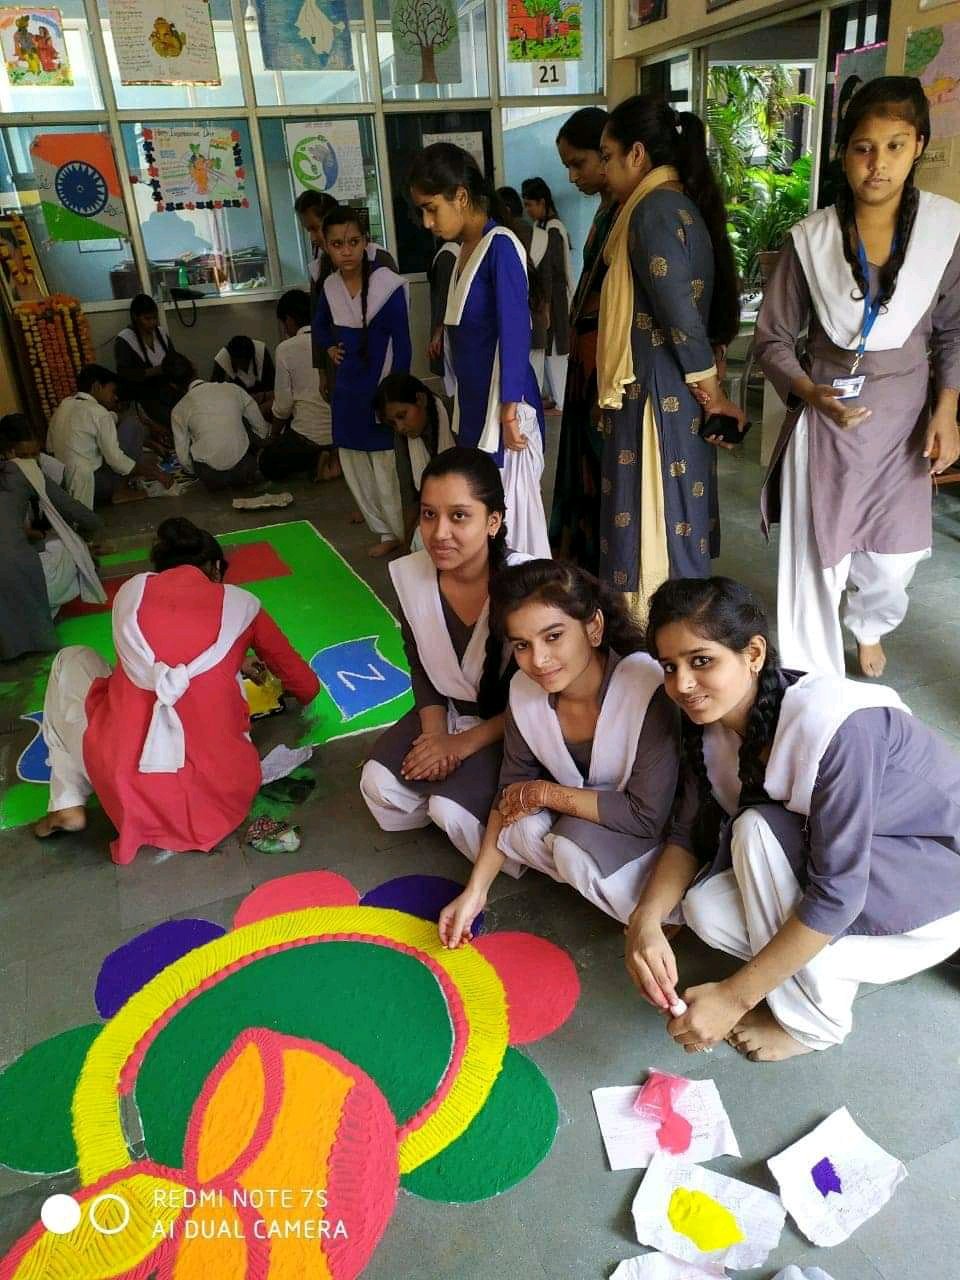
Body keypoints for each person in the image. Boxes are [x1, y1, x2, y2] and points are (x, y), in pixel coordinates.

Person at [626, 575, 960, 1062]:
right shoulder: (712, 726)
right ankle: (815, 970)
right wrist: (645, 921)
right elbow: (687, 834)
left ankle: (814, 1024)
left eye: (701, 661)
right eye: (669, 667)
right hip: (858, 874)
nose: (682, 685)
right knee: (704, 909)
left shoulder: (837, 726)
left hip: (934, 883)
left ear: (753, 653)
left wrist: (734, 997)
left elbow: (838, 893)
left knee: (755, 830)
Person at [756, 77, 960, 680]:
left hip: (904, 424)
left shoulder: (944, 233)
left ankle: (869, 623)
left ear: (918, 146)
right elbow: (771, 339)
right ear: (843, 153)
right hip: (826, 421)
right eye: (864, 148)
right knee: (815, 557)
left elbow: (953, 330)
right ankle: (813, 678)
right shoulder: (811, 240)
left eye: (895, 146)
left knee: (895, 558)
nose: (878, 164)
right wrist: (808, 391)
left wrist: (946, 411)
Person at [34, 517, 320, 863]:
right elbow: (306, 686)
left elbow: (166, 652)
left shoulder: (130, 594)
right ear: (216, 568)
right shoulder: (243, 605)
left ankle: (66, 802)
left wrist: (234, 660)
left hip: (129, 790)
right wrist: (234, 660)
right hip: (225, 792)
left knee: (72, 660)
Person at [439, 561, 680, 945]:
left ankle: (662, 909)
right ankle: (605, 883)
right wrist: (475, 891)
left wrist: (546, 793)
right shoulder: (525, 692)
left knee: (569, 848)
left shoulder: (645, 686)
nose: (538, 660)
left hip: (664, 836)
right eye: (522, 645)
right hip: (601, 817)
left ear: (593, 627)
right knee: (520, 825)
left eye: (553, 636)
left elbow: (647, 816)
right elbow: (510, 793)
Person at [597, 96, 744, 619]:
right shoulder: (677, 204)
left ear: (637, 154)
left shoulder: (653, 210)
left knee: (654, 518)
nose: (604, 170)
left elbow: (678, 312)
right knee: (673, 510)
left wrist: (713, 392)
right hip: (667, 389)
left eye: (608, 156)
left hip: (658, 396)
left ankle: (651, 629)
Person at [361, 448, 527, 860]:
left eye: (459, 516)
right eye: (429, 515)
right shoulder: (411, 576)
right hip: (450, 709)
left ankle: (460, 802)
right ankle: (456, 795)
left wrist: (462, 745)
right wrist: (435, 735)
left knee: (451, 812)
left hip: (518, 726)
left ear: (493, 521)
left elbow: (546, 697)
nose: (439, 533)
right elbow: (419, 662)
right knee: (377, 785)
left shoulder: (529, 584)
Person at [409, 143, 551, 560]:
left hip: (504, 413)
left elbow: (515, 331)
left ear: (461, 196)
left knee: (511, 526)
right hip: (475, 411)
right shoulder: (463, 252)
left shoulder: (500, 245)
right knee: (482, 520)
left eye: (432, 209)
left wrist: (509, 411)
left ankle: (520, 595)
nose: (427, 222)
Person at [312, 206, 411, 557]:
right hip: (347, 390)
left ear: (366, 242)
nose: (346, 251)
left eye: (354, 242)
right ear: (326, 247)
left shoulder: (388, 284)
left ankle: (403, 532)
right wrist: (329, 347)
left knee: (386, 465)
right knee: (354, 461)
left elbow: (403, 344)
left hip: (380, 386)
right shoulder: (329, 286)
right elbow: (319, 326)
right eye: (337, 244)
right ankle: (384, 532)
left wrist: (396, 394)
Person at [550, 107, 620, 571]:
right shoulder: (606, 209)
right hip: (586, 357)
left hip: (605, 363)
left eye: (579, 163)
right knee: (581, 467)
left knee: (601, 470)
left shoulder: (631, 212)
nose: (573, 177)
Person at [0, 415, 103, 660]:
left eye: (35, 454)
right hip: (13, 567)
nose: (32, 460)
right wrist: (87, 537)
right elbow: (78, 512)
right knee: (70, 548)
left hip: (11, 558)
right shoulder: (25, 469)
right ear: (9, 452)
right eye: (25, 455)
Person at [47, 364, 169, 507]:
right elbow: (117, 462)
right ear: (97, 387)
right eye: (112, 391)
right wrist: (157, 474)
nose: (115, 397)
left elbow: (50, 447)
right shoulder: (99, 413)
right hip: (94, 485)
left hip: (64, 483)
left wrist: (150, 442)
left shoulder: (64, 406)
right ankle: (120, 491)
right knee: (132, 424)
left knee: (126, 425)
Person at [259, 289, 338, 483]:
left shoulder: (286, 349)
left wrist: (274, 436)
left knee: (266, 461)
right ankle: (335, 461)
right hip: (343, 435)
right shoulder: (334, 340)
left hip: (308, 438)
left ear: (289, 319)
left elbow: (283, 406)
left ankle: (316, 463)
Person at [374, 372, 455, 549]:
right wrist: (408, 543)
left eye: (402, 416)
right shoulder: (402, 435)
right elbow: (408, 491)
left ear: (421, 400)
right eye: (393, 422)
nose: (400, 427)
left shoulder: (454, 415)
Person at [167, 353, 270, 490]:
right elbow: (261, 427)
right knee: (240, 418)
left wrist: (194, 470)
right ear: (194, 366)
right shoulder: (232, 389)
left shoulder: (179, 410)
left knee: (193, 434)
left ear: (172, 385)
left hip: (211, 478)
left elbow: (183, 458)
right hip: (245, 469)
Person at [521, 177, 573, 411]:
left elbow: (554, 272)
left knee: (556, 350)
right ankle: (555, 397)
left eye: (530, 205)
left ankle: (561, 401)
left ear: (542, 202)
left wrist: (547, 307)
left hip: (556, 299)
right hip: (550, 298)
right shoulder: (543, 228)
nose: (528, 211)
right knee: (551, 349)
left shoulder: (553, 229)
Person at [497, 186, 550, 388]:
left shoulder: (500, 239)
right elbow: (548, 279)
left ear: (505, 210)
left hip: (510, 322)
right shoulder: (540, 235)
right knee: (534, 380)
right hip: (537, 315)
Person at [114, 294, 179, 432]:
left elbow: (174, 360)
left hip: (169, 390)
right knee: (170, 419)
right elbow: (124, 374)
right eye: (147, 319)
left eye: (155, 318)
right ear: (135, 317)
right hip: (144, 396)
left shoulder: (161, 334)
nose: (152, 323)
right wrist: (153, 371)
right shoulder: (125, 339)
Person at [211, 334, 276, 414]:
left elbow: (274, 389)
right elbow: (215, 394)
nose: (243, 367)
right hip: (236, 406)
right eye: (239, 363)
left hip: (262, 403)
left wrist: (260, 400)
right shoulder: (222, 359)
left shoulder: (261, 352)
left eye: (246, 363)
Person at [427, 238, 458, 392]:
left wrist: (437, 333)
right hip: (452, 324)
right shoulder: (456, 251)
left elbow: (444, 297)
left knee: (452, 380)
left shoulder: (447, 255)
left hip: (447, 328)